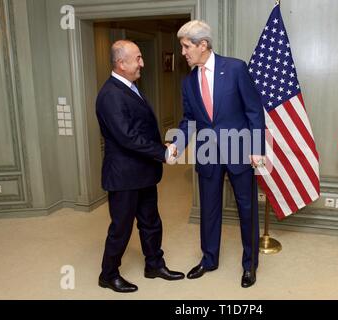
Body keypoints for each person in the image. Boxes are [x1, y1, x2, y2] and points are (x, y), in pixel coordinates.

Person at [171, 20, 266, 288]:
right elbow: (189, 119)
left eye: (186, 46)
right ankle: (209, 259)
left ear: (203, 45)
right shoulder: (188, 81)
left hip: (239, 152)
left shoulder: (235, 68)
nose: (183, 52)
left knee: (247, 210)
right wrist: (177, 144)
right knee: (209, 210)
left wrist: (257, 148)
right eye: (182, 47)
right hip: (208, 154)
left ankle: (250, 265)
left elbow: (253, 111)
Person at [96, 40, 184, 293]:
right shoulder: (110, 94)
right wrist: (163, 153)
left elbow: (140, 128)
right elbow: (127, 136)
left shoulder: (130, 87)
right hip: (124, 175)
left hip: (143, 171)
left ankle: (154, 264)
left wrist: (161, 151)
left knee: (151, 222)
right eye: (138, 58)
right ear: (121, 63)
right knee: (121, 229)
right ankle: (108, 274)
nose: (142, 63)